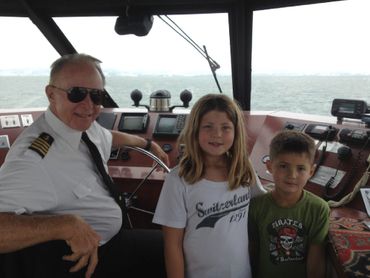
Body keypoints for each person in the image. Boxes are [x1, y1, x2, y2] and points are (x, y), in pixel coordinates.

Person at [0, 53, 169, 278]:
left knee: (179, 247)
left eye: (97, 96)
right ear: (51, 94)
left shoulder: (80, 125)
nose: (89, 105)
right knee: (175, 253)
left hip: (111, 239)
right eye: (76, 93)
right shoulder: (32, 159)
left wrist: (146, 144)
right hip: (84, 260)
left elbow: (106, 137)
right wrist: (64, 225)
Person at [152, 94, 265, 278]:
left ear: (236, 132)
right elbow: (172, 245)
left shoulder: (243, 170)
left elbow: (266, 202)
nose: (217, 134)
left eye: (225, 127)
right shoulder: (179, 179)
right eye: (208, 126)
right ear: (195, 130)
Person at [248, 130, 330, 278]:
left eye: (301, 168)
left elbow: (316, 262)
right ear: (269, 166)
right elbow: (252, 253)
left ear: (311, 171)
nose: (292, 175)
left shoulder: (319, 209)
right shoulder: (255, 207)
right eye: (283, 166)